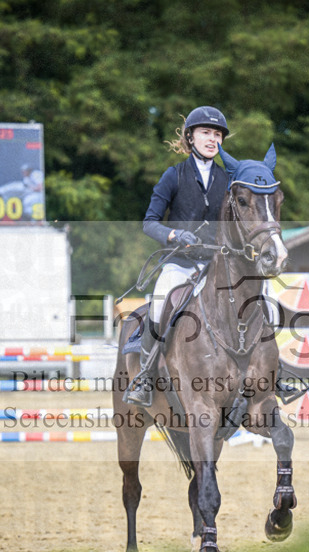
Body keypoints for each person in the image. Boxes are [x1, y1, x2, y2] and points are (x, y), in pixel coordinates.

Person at [124, 105, 230, 406]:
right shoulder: (174, 175)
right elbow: (150, 222)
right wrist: (174, 235)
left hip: (215, 264)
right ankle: (144, 376)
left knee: (255, 299)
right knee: (159, 305)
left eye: (217, 134)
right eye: (206, 132)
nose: (213, 139)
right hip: (181, 262)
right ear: (191, 137)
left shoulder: (227, 180)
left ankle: (275, 373)